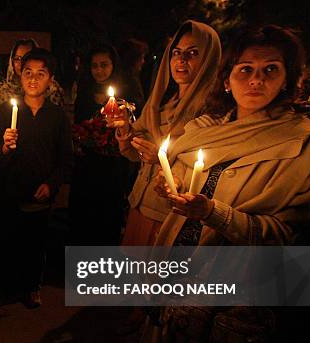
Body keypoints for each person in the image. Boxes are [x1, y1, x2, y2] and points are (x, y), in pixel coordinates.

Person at [132, 25, 310, 343]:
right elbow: (184, 181)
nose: (255, 79)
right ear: (228, 79)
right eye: (245, 69)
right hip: (176, 255)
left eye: (270, 70)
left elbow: (288, 234)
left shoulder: (302, 143)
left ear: (287, 80)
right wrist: (172, 189)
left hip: (232, 275)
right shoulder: (204, 129)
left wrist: (213, 213)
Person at [108, 21, 221, 246]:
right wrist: (125, 130)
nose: (181, 60)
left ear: (208, 59)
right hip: (140, 205)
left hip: (170, 217)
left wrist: (161, 159)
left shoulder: (212, 113)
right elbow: (134, 153)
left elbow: (206, 172)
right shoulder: (162, 104)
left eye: (192, 53)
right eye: (176, 53)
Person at [0, 47, 73, 308]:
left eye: (41, 73)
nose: (33, 79)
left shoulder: (57, 116)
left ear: (50, 79)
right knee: (9, 239)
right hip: (10, 190)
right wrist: (3, 147)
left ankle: (32, 285)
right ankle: (7, 286)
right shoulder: (5, 112)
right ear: (19, 75)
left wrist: (51, 183)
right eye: (28, 72)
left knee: (36, 243)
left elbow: (65, 159)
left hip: (41, 191)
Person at [69, 45, 136, 245]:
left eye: (104, 65)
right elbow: (78, 123)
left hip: (113, 166)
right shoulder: (84, 90)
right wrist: (86, 134)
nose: (99, 70)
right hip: (87, 165)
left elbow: (133, 124)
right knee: (84, 214)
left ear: (113, 66)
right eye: (94, 66)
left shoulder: (126, 92)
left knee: (108, 214)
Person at [0, 38, 65, 107]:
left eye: (27, 57)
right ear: (12, 61)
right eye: (18, 58)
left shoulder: (52, 90)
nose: (22, 63)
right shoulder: (3, 91)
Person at [118, 38, 149, 114]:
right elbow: (138, 107)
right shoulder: (130, 81)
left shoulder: (134, 77)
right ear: (134, 59)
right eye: (142, 57)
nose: (143, 61)